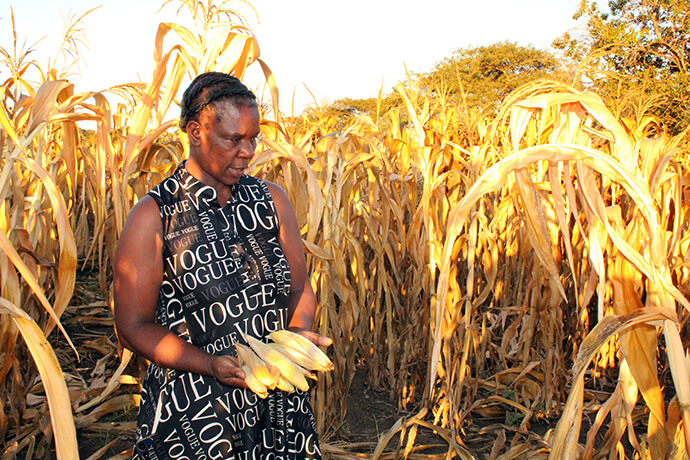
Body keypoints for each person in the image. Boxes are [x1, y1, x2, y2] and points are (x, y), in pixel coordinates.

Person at [113, 72, 331, 460]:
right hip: (196, 413)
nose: (247, 151)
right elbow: (132, 326)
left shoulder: (272, 199)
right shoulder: (154, 215)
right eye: (233, 140)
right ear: (196, 132)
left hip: (275, 400)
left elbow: (299, 288)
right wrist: (210, 365)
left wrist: (297, 340)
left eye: (253, 138)